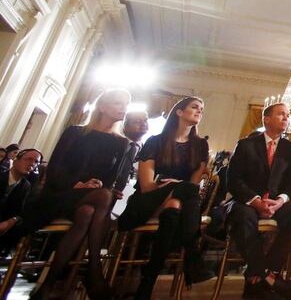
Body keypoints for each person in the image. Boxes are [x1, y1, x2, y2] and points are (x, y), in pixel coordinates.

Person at [21, 89, 129, 299]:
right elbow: (54, 169)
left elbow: (110, 178)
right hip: (62, 195)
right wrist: (78, 184)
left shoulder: (121, 142)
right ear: (103, 107)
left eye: (126, 104)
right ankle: (95, 271)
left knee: (88, 212)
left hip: (91, 201)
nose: (123, 108)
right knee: (102, 198)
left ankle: (48, 285)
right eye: (118, 103)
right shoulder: (75, 132)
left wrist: (102, 186)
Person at [118, 97, 213, 298]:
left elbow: (193, 186)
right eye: (195, 107)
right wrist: (172, 186)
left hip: (180, 201)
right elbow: (146, 186)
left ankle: (146, 285)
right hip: (148, 200)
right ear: (179, 111)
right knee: (182, 193)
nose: (199, 111)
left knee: (174, 207)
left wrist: (177, 188)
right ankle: (192, 254)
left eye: (202, 109)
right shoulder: (156, 141)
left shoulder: (200, 145)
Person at [226, 103, 291, 300]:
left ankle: (263, 271)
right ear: (266, 119)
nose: (286, 118)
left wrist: (279, 201)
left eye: (288, 115)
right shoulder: (246, 145)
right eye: (281, 114)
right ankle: (268, 278)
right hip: (247, 202)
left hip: (277, 203)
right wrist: (255, 202)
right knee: (244, 217)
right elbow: (233, 180)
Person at [0, 148, 41, 253]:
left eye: (36, 162)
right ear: (15, 160)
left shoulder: (26, 186)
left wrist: (11, 221)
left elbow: (21, 212)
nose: (32, 163)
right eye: (28, 159)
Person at [111, 111, 149, 218]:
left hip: (128, 200)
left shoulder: (147, 150)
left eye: (145, 120)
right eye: (137, 121)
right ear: (125, 125)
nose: (143, 124)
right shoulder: (113, 142)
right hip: (105, 194)